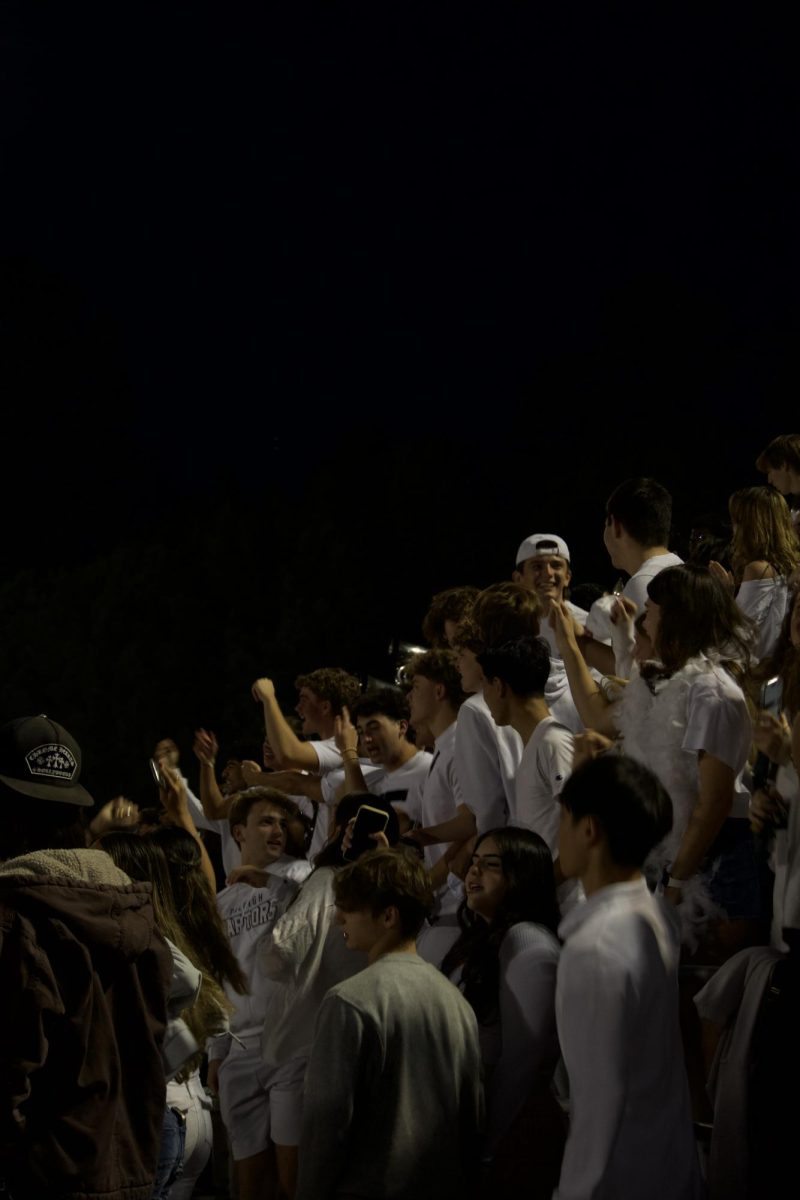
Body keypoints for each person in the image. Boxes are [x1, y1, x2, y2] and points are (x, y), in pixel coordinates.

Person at [0, 714, 172, 1200]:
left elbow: (13, 1066)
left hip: (44, 1176)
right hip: (131, 1168)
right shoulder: (136, 907)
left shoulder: (18, 916)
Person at [551, 565, 757, 956]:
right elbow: (603, 713)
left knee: (703, 985)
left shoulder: (715, 695)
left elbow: (714, 804)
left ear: (677, 618)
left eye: (653, 610)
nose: (645, 619)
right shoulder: (667, 680)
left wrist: (678, 880)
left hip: (714, 859)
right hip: (671, 853)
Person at [553, 755, 703, 1200]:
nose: (559, 834)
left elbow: (599, 1104)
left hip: (623, 1178)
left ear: (589, 830)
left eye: (564, 818)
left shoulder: (594, 948)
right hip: (668, 1163)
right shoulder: (655, 912)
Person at [296, 848, 483, 1200]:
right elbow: (471, 1118)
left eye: (350, 908)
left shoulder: (349, 1001)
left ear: (388, 917)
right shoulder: (456, 1001)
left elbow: (326, 1124)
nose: (340, 920)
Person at [259, 793, 401, 1198]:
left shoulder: (325, 882)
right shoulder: (392, 896)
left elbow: (278, 957)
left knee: (300, 1183)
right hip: (366, 1049)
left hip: (301, 1048)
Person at [441, 828, 564, 1196]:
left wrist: (487, 1150)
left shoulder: (528, 943)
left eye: (490, 865)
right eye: (473, 863)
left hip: (512, 1136)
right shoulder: (482, 937)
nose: (473, 873)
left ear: (520, 877)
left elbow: (522, 1065)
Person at [209, 787, 303, 1200]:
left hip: (291, 1046)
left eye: (283, 823)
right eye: (266, 821)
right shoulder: (222, 901)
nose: (278, 829)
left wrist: (269, 881)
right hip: (239, 1050)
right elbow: (217, 976)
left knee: (294, 1181)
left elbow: (313, 923)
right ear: (238, 832)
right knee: (248, 1184)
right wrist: (216, 1052)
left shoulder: (302, 874)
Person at [712, 485, 800, 662]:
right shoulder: (788, 566)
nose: (733, 529)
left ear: (751, 526)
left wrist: (723, 598)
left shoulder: (759, 569)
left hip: (754, 678)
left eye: (737, 521)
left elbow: (737, 644)